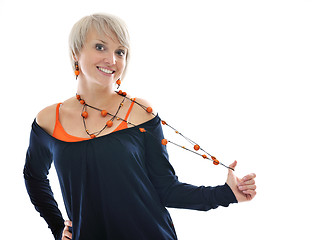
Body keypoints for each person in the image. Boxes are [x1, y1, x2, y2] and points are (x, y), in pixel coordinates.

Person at [23, 13, 256, 240]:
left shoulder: (139, 112)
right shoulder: (48, 120)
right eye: (100, 47)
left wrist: (226, 194)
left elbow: (165, 188)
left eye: (120, 52)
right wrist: (57, 227)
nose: (112, 60)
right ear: (76, 52)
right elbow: (34, 177)